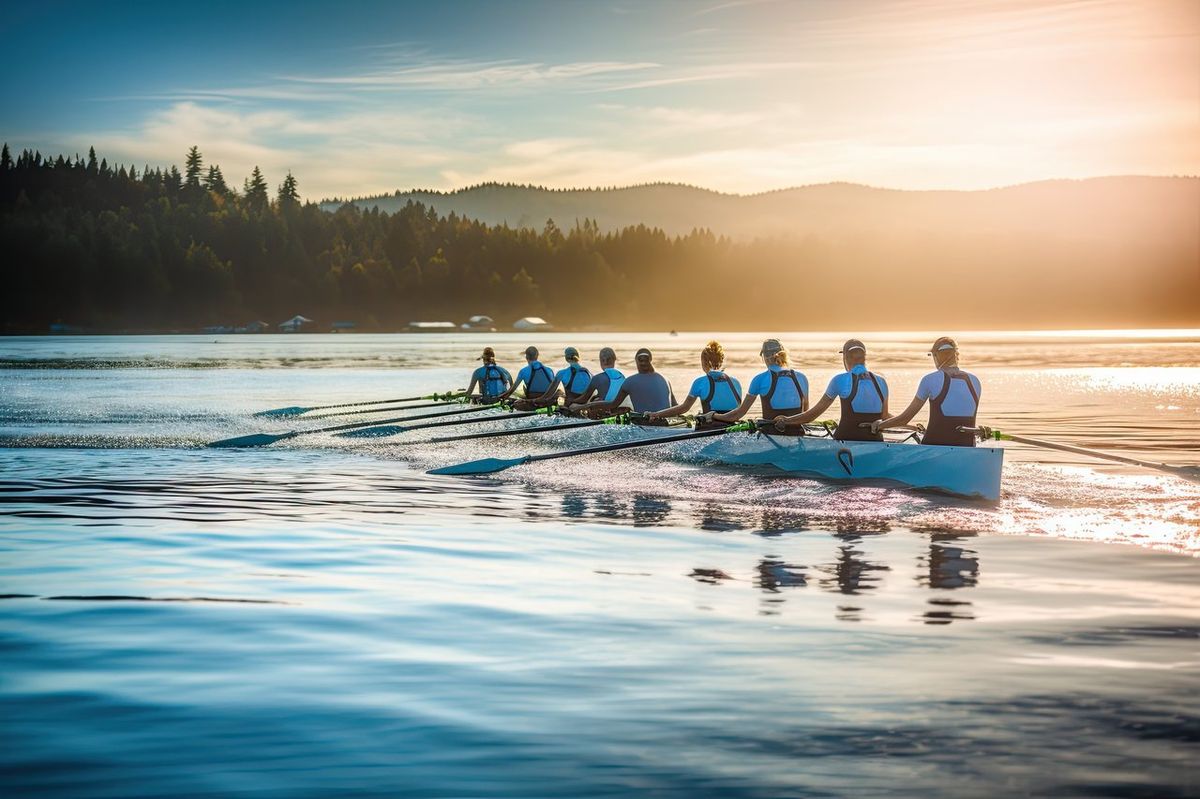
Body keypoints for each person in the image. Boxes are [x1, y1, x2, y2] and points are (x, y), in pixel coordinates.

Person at [870, 336, 980, 446]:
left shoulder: (929, 380)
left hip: (935, 445)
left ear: (936, 356)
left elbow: (904, 419)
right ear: (956, 355)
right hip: (967, 445)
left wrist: (879, 425)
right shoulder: (975, 381)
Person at [773, 339, 888, 440]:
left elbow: (813, 414)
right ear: (864, 357)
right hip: (876, 440)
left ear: (845, 358)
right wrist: (905, 422)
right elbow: (885, 417)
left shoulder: (839, 380)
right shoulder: (881, 381)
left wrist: (786, 420)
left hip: (846, 438)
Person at [700, 338, 808, 426]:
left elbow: (737, 415)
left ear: (764, 356)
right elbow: (805, 414)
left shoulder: (759, 379)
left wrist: (713, 415)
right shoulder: (802, 378)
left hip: (772, 434)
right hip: (798, 433)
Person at [646, 340, 742, 421]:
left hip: (712, 425)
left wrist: (656, 414)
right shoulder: (736, 382)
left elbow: (684, 408)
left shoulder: (700, 382)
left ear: (705, 362)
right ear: (721, 362)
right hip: (733, 425)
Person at [574, 347, 674, 416]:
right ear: (651, 360)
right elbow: (676, 406)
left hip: (646, 425)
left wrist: (580, 407)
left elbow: (612, 405)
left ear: (636, 361)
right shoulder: (666, 379)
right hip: (668, 422)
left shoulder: (630, 382)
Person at [568, 347, 631, 417]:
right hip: (620, 409)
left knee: (572, 407)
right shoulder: (622, 376)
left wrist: (571, 401)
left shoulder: (597, 378)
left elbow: (583, 399)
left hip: (604, 410)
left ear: (602, 361)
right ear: (614, 359)